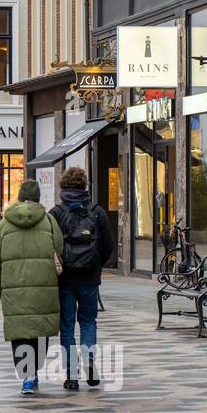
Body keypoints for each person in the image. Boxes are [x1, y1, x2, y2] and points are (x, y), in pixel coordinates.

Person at [0, 180, 63, 395]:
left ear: (20, 197)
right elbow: (60, 250)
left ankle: (27, 377)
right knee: (40, 329)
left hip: (15, 288)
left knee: (20, 331)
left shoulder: (4, 224)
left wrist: (1, 287)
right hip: (44, 287)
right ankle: (35, 371)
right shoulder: (49, 221)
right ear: (39, 198)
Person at [49, 168, 116, 391]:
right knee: (88, 322)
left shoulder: (56, 213)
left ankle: (71, 375)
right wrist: (96, 264)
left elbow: (51, 245)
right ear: (85, 185)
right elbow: (108, 246)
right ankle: (89, 362)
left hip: (65, 279)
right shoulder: (96, 211)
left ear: (63, 186)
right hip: (90, 278)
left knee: (67, 326)